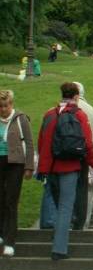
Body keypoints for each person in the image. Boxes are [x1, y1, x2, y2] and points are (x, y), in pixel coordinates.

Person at [38, 83, 93, 260]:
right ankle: (59, 249)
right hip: (70, 167)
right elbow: (87, 144)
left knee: (58, 205)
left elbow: (42, 142)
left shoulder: (50, 114)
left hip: (51, 167)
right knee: (66, 207)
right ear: (76, 96)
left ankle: (58, 235)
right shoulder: (79, 114)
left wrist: (43, 166)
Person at [0, 90, 34, 257]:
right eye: (0, 106)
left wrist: (29, 167)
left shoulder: (21, 119)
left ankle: (9, 241)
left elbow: (29, 142)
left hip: (15, 164)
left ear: (11, 104)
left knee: (11, 201)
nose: (3, 109)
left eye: (5, 106)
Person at [71, 81, 93, 231]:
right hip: (85, 156)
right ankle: (80, 223)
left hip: (65, 157)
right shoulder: (91, 110)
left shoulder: (60, 109)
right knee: (82, 190)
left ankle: (67, 220)